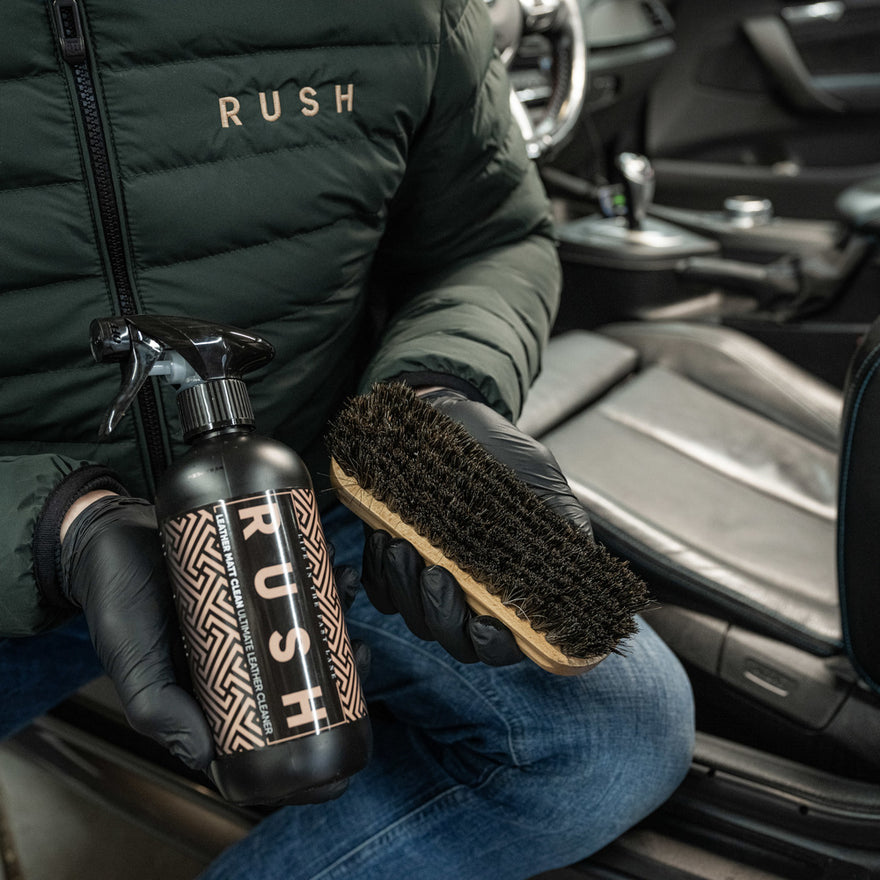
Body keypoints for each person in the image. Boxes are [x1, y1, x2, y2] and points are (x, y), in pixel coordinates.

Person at [0, 0, 695, 876]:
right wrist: (51, 528)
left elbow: (490, 236)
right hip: (17, 525)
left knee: (612, 734)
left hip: (304, 492)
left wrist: (434, 399)